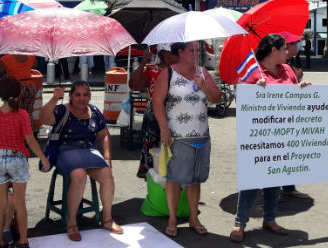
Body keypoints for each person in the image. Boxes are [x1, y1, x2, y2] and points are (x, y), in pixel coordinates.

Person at [229, 34, 311, 243]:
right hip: (258, 136)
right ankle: (240, 223)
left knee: (274, 179)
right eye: (284, 48)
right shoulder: (253, 70)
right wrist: (253, 89)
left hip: (282, 134)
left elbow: (293, 98)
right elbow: (241, 99)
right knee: (252, 180)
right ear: (273, 50)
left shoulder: (288, 71)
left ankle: (270, 219)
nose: (288, 52)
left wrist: (301, 90)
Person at [151, 41, 221, 238]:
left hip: (201, 134)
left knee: (194, 178)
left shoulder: (202, 72)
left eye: (197, 50)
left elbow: (217, 98)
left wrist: (204, 86)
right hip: (177, 136)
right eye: (192, 50)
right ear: (180, 52)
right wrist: (164, 129)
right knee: (174, 178)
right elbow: (157, 101)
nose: (196, 53)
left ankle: (193, 217)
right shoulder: (169, 73)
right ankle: (172, 219)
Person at [39, 81, 123, 242]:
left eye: (85, 95)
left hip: (88, 151)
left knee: (106, 172)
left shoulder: (95, 111)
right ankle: (71, 223)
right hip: (66, 150)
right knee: (79, 174)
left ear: (90, 97)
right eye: (77, 94)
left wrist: (107, 157)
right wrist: (54, 99)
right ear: (70, 96)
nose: (82, 98)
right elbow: (43, 118)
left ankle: (107, 219)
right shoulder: (62, 110)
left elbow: (104, 134)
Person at [0, 76, 50, 248]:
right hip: (17, 157)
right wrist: (43, 159)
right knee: (19, 203)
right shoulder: (22, 114)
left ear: (0, 94)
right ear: (20, 92)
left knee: (0, 204)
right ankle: (23, 240)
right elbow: (30, 140)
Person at [128, 44, 179, 178]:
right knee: (155, 155)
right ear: (166, 54)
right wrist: (144, 61)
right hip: (155, 119)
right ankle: (155, 188)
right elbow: (134, 85)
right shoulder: (151, 69)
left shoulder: (182, 70)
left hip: (178, 117)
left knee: (177, 156)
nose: (179, 55)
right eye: (176, 53)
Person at [279, 32, 310, 200]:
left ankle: (289, 186)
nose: (297, 46)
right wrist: (296, 79)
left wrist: (297, 81)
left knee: (288, 153)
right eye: (295, 43)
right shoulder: (279, 65)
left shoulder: (288, 64)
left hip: (289, 117)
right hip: (278, 119)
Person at [0, 55, 38, 131]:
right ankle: (29, 135)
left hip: (15, 87)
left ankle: (17, 135)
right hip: (30, 86)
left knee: (15, 113)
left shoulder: (7, 58)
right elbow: (35, 65)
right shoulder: (31, 56)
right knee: (28, 113)